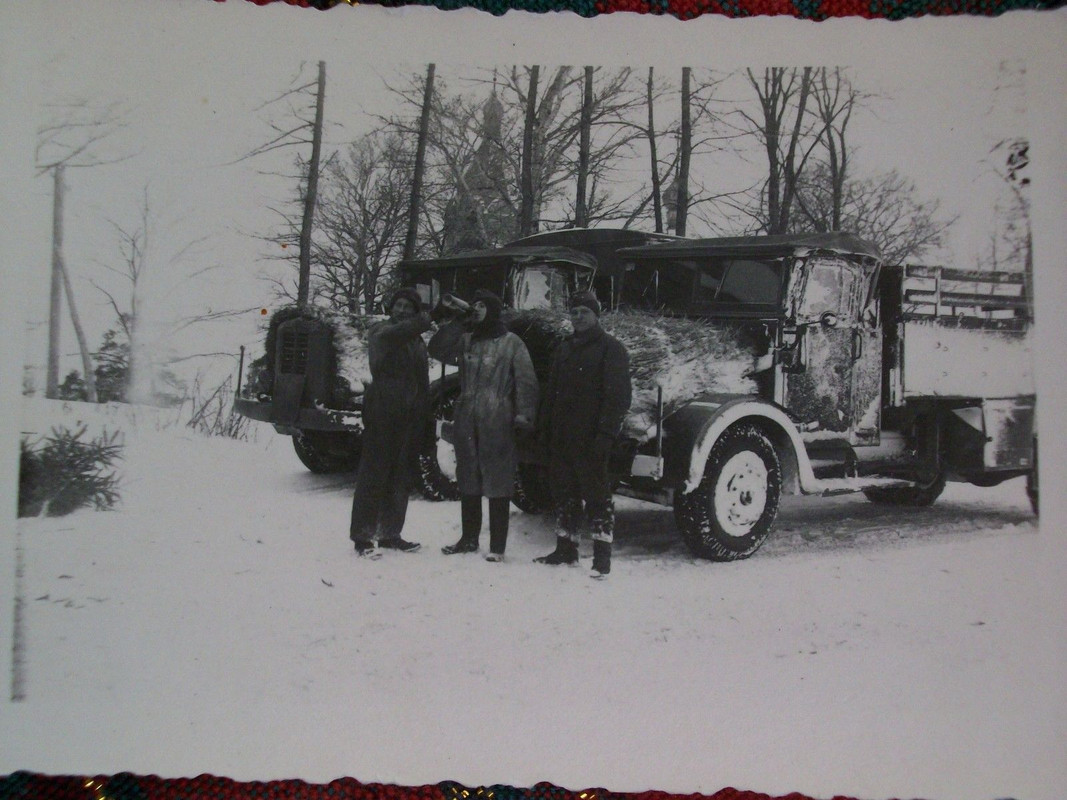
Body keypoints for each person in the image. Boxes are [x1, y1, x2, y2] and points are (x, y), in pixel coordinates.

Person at [429, 290, 538, 562]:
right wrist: (458, 321)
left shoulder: (511, 342)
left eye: (482, 306)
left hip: (498, 416)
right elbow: (436, 349)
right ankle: (468, 540)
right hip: (467, 414)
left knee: (497, 479)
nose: (476, 309)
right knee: (467, 476)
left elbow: (526, 381)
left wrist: (524, 416)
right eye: (473, 305)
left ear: (493, 310)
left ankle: (497, 547)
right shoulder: (467, 340)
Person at [534, 290, 631, 578]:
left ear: (596, 315)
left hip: (591, 438)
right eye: (574, 312)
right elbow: (551, 392)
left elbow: (618, 398)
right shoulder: (565, 348)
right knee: (564, 494)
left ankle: (602, 559)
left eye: (584, 312)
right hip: (562, 436)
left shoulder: (611, 349)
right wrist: (545, 428)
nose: (577, 317)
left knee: (597, 496)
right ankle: (565, 549)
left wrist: (605, 436)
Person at [349, 287, 430, 556]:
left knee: (400, 474)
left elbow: (422, 378)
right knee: (374, 472)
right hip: (382, 408)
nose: (402, 310)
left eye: (409, 307)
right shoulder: (381, 331)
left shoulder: (417, 341)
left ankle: (390, 533)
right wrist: (423, 321)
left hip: (408, 413)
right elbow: (397, 334)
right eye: (399, 305)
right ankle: (362, 537)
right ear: (391, 308)